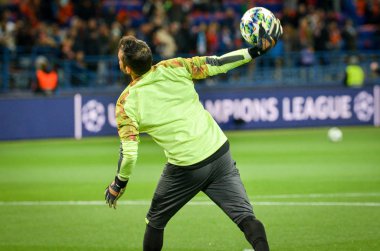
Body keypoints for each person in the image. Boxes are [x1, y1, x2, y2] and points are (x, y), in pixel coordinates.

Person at [104, 20, 282, 251]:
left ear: (127, 68)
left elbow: (129, 153)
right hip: (219, 153)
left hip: (186, 167)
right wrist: (255, 51)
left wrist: (119, 184)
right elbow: (218, 63)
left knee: (155, 222)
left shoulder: (126, 102)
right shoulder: (175, 66)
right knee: (246, 218)